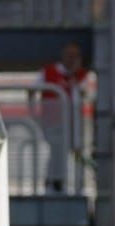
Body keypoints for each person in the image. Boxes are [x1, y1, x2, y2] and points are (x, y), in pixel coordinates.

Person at [39, 42, 98, 194]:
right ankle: (54, 184)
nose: (72, 59)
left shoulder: (84, 75)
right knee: (57, 153)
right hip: (54, 123)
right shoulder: (49, 72)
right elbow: (33, 92)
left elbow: (89, 94)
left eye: (75, 56)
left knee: (78, 153)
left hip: (77, 125)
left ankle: (78, 186)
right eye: (69, 55)